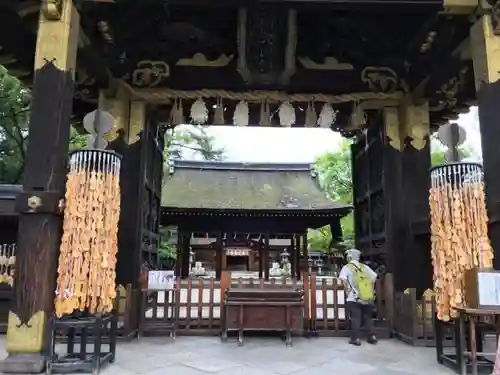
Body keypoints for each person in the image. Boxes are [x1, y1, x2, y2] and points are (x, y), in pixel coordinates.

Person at [339, 248, 378, 346]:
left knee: (356, 318)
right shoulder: (364, 267)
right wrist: (369, 289)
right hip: (367, 296)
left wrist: (347, 291)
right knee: (367, 317)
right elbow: (374, 277)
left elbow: (343, 280)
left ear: (349, 257)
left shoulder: (346, 267)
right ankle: (372, 336)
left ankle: (355, 338)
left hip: (354, 297)